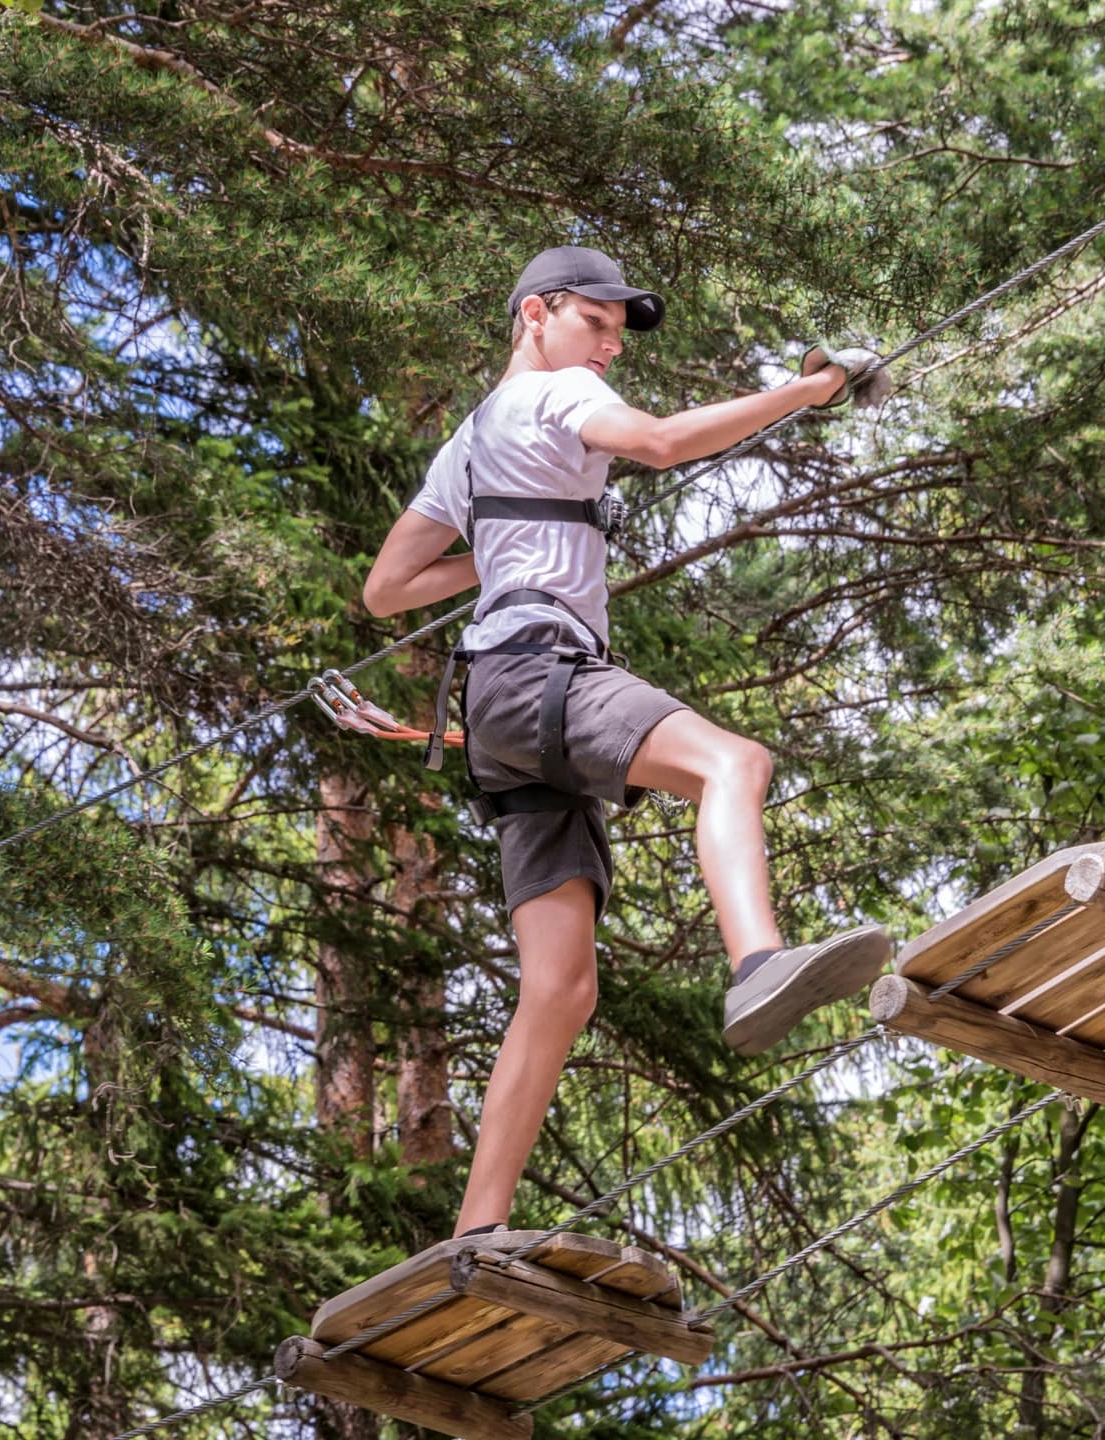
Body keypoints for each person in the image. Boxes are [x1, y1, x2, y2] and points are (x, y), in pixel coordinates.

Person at [360, 246, 892, 1238]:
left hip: (499, 722)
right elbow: (655, 442)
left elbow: (385, 589)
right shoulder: (556, 395)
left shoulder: (471, 441)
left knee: (560, 989)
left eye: (617, 330)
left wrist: (505, 553)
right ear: (534, 317)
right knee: (735, 764)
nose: (610, 344)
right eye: (594, 322)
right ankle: (758, 965)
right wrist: (812, 388)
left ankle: (477, 1229)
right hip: (540, 679)